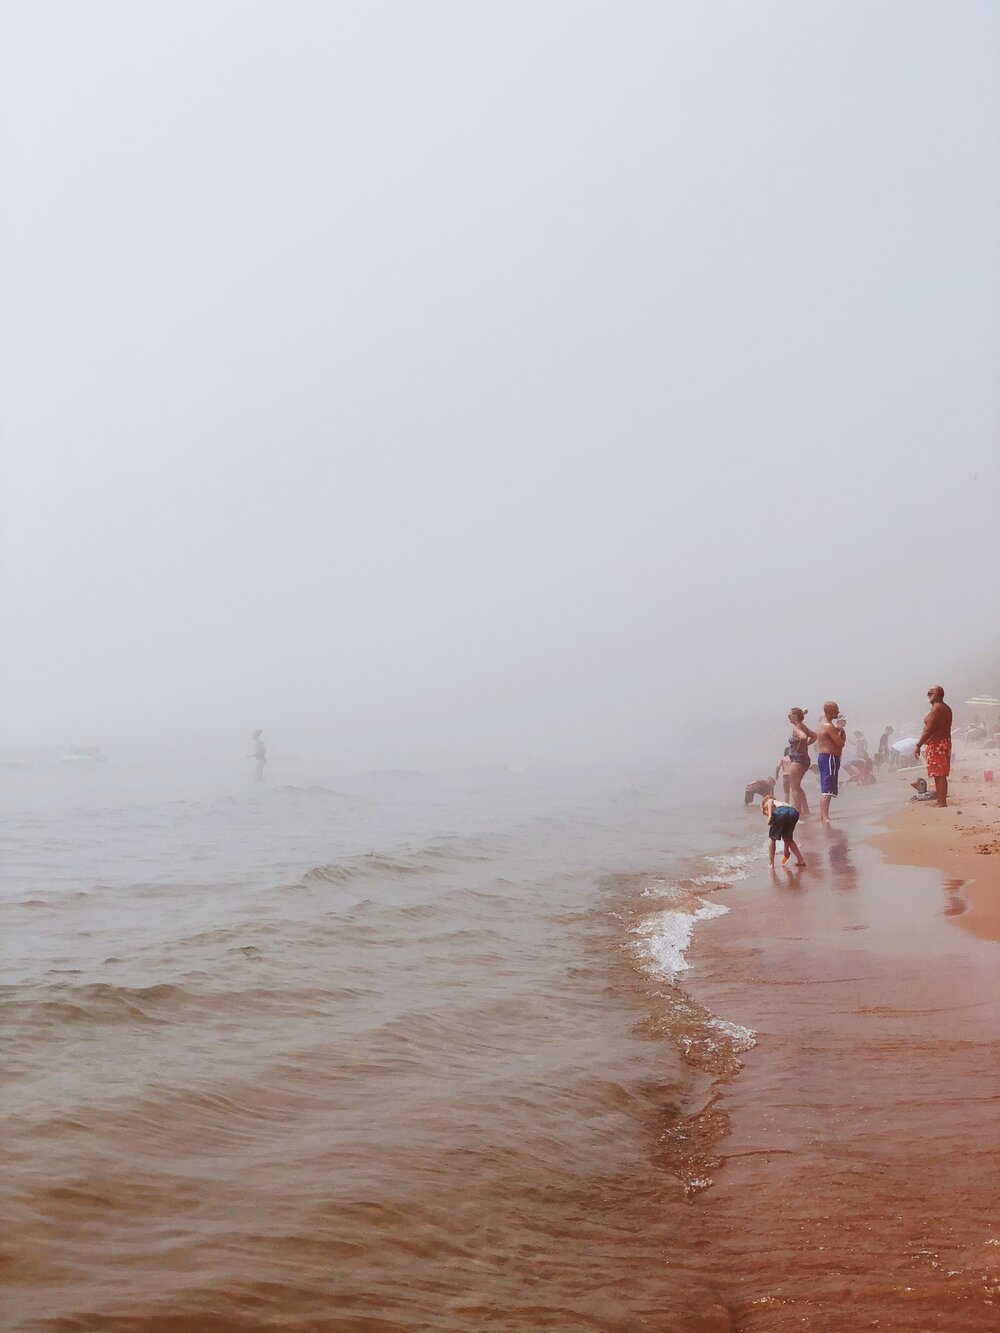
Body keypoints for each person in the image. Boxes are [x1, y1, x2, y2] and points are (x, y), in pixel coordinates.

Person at [914, 685, 953, 808]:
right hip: (942, 742)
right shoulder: (945, 708)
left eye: (931, 693)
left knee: (939, 774)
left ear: (938, 695)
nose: (929, 695)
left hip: (937, 744)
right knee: (939, 774)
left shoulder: (937, 708)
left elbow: (928, 729)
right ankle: (940, 800)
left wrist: (918, 745)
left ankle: (942, 802)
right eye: (928, 693)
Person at [816, 700, 847, 824]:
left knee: (826, 787)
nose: (838, 712)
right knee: (827, 788)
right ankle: (825, 816)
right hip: (829, 758)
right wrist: (843, 734)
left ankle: (823, 815)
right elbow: (840, 743)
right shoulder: (828, 726)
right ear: (829, 711)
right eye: (836, 710)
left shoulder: (823, 724)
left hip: (826, 758)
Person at [761, 793, 806, 868]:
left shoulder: (768, 802)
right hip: (794, 812)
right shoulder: (781, 803)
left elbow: (770, 802)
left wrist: (769, 816)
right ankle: (800, 860)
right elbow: (785, 836)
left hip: (782, 811)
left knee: (772, 838)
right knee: (788, 838)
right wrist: (786, 850)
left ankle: (771, 863)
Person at [786, 707, 817, 818]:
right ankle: (806, 811)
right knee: (797, 786)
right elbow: (814, 736)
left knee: (794, 786)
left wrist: (799, 748)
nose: (788, 716)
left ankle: (797, 813)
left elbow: (803, 737)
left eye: (790, 715)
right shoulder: (802, 726)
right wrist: (806, 746)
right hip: (804, 759)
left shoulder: (797, 728)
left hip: (798, 759)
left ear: (796, 716)